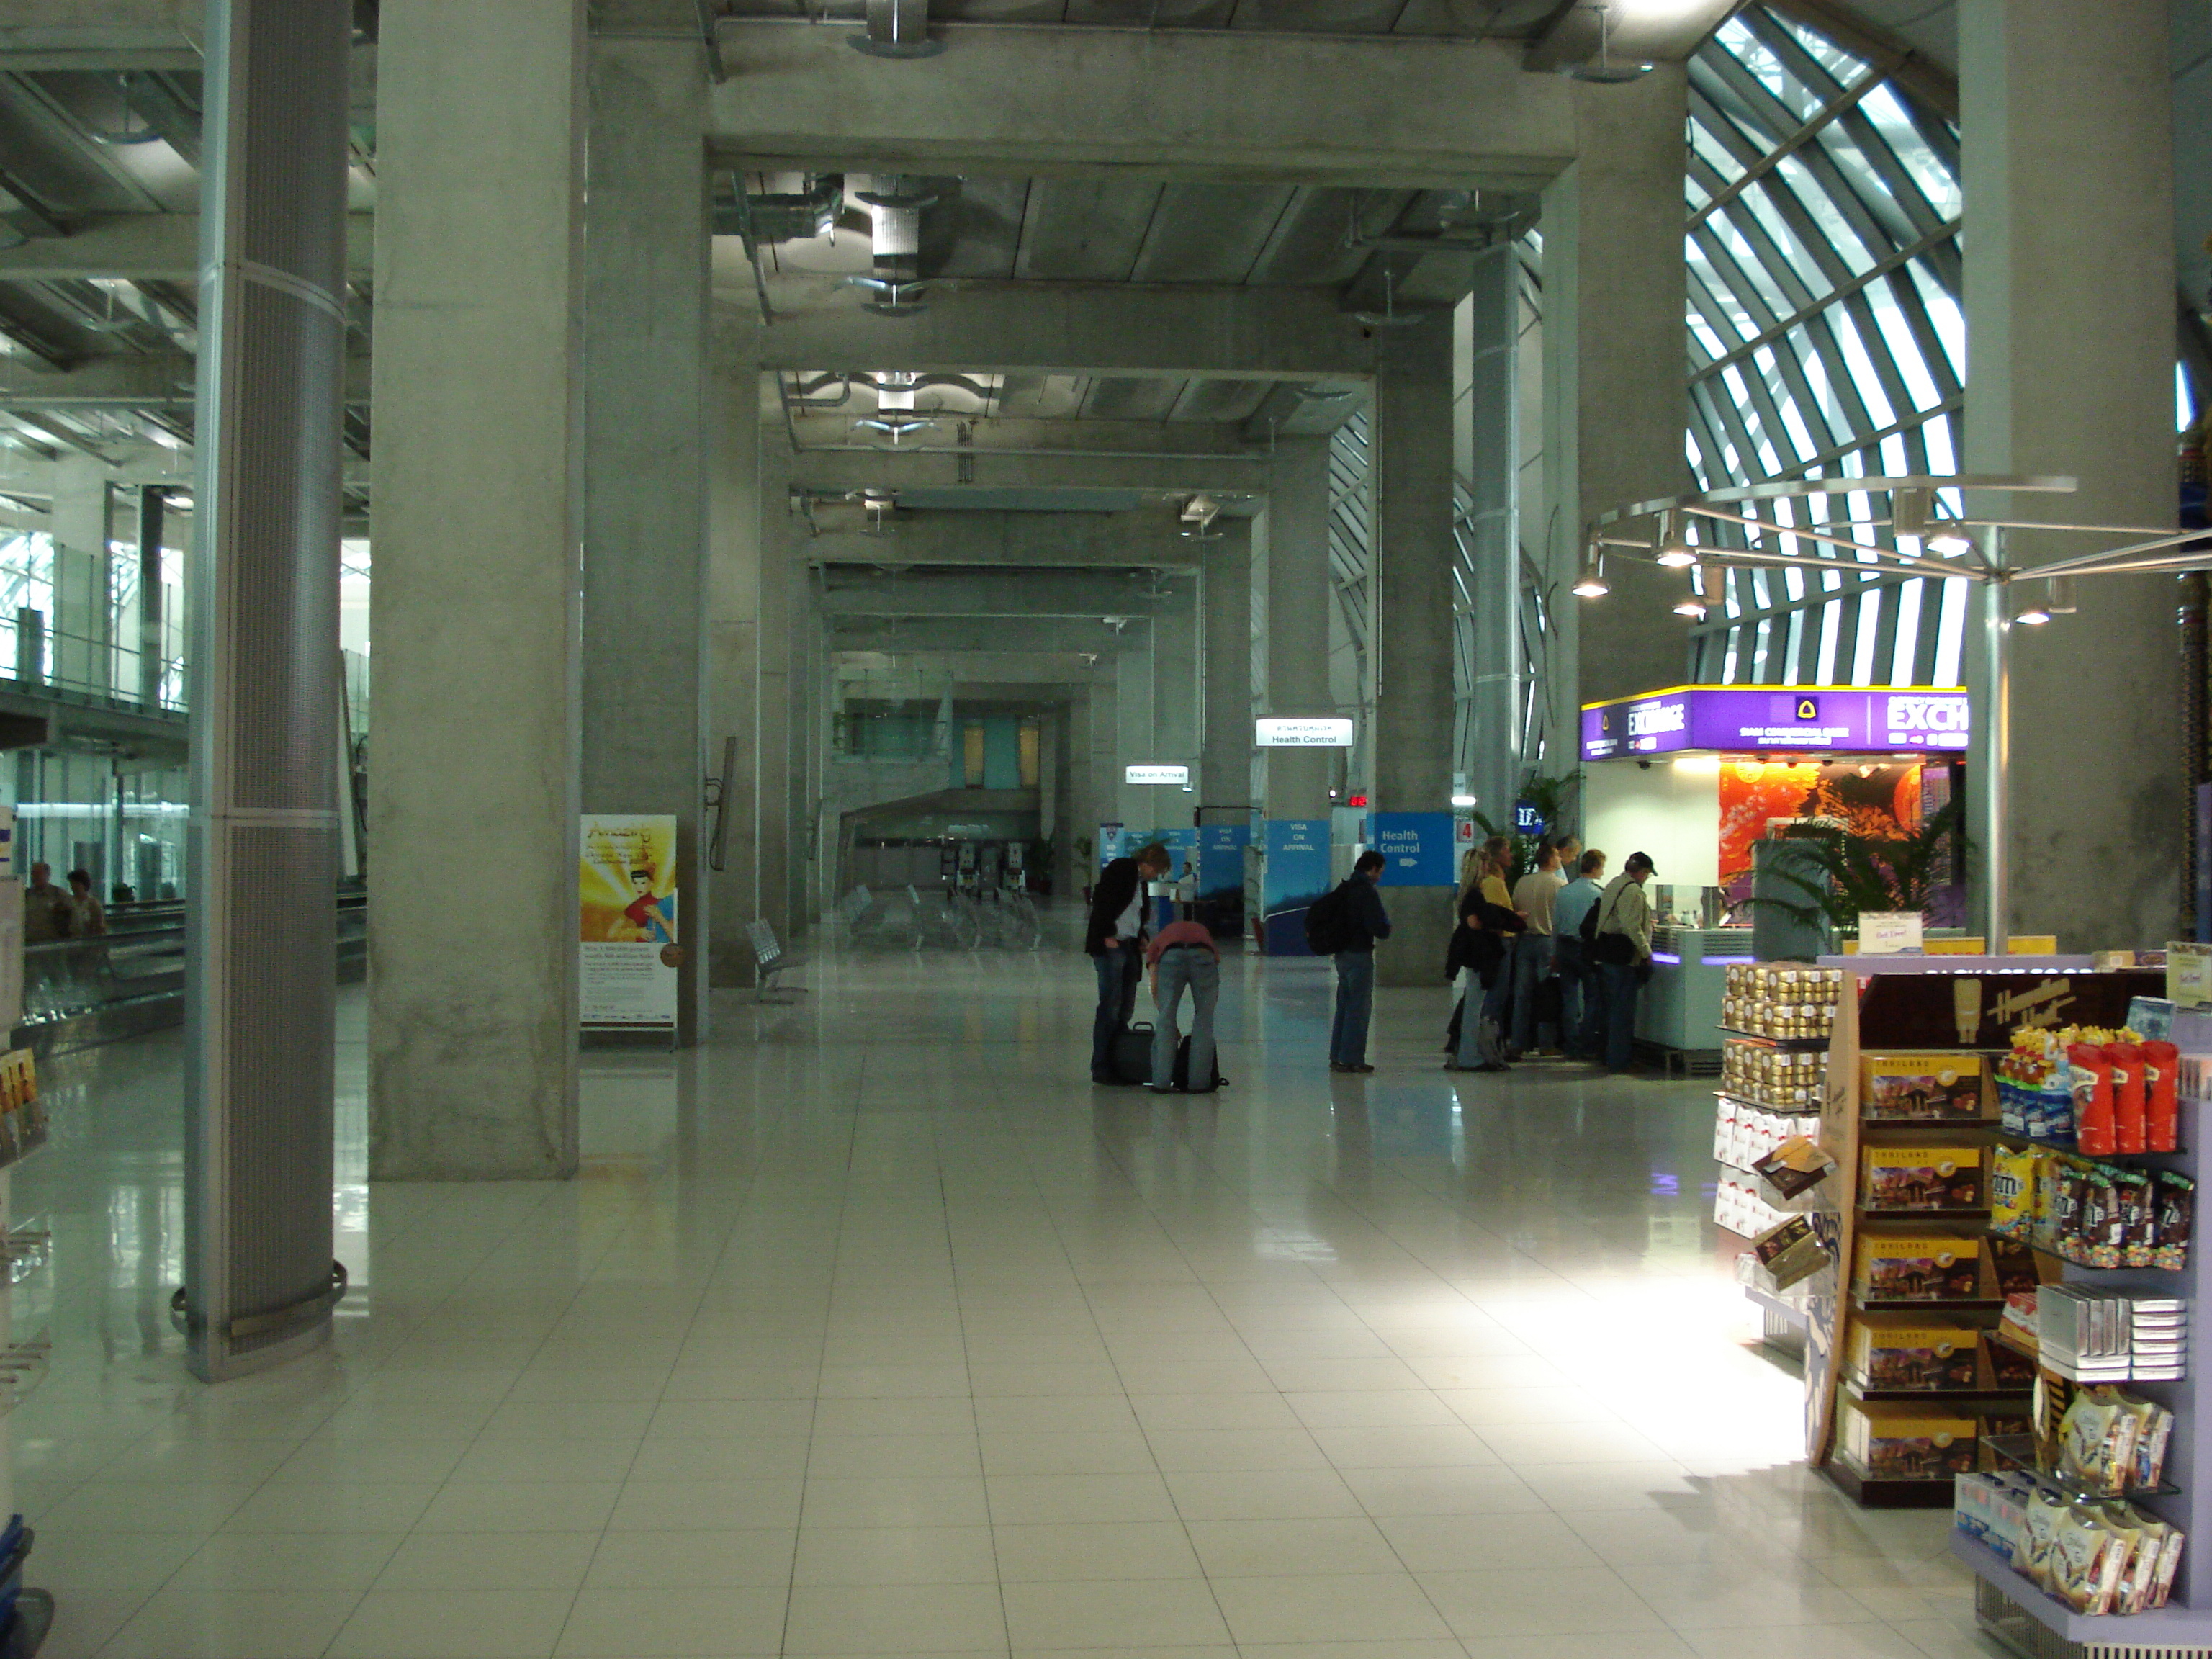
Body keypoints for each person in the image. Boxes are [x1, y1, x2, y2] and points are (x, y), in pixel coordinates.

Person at [1087, 840, 1170, 1084]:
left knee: (1125, 1008)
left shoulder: (1141, 884)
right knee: (1110, 1007)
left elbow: (1133, 915)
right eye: (1156, 870)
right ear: (1148, 863)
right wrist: (1105, 934)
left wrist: (1141, 935)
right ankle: (1101, 1066)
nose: (1155, 875)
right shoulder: (1122, 869)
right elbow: (1102, 901)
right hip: (1111, 944)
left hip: (1128, 945)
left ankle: (1119, 1060)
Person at [1447, 856, 1523, 1072]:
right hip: (1479, 955)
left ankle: (1466, 1053)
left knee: (1473, 1004)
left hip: (1472, 954)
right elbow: (1474, 922)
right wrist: (1494, 921)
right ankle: (1469, 1056)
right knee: (1474, 1007)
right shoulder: (1474, 895)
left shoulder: (1465, 893)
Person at [1593, 850, 1658, 1072]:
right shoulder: (1634, 892)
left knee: (1609, 1009)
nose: (1646, 879)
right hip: (1623, 957)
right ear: (1642, 872)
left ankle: (1607, 1055)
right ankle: (1619, 1060)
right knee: (1623, 1012)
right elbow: (1632, 927)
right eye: (1647, 874)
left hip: (1606, 953)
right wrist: (1646, 953)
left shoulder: (1614, 884)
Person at [1327, 850, 1392, 1074]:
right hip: (1359, 954)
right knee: (1359, 1007)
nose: (1380, 877)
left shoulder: (1344, 888)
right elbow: (1377, 926)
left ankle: (1337, 1056)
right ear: (1372, 868)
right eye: (1380, 872)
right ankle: (1353, 1058)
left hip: (1342, 954)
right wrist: (1386, 928)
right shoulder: (1367, 892)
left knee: (1344, 1005)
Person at [1509, 837, 1568, 1057]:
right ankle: (1546, 1043)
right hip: (1547, 941)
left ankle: (1517, 1043)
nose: (1560, 858)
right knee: (1547, 994)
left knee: (1522, 995)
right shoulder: (1559, 885)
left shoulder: (1522, 882)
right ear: (1551, 860)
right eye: (1558, 855)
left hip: (1525, 941)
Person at [1146, 914, 1219, 1092]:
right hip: (1204, 955)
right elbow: (1216, 959)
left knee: (1166, 1019)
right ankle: (1199, 1084)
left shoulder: (1158, 942)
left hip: (1171, 958)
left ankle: (1161, 1083)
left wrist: (1165, 1012)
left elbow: (1154, 985)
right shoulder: (1203, 933)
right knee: (1204, 1020)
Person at [1552, 848, 1608, 1060]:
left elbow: (1555, 924)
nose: (1602, 872)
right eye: (1601, 867)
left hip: (1565, 947)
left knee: (1569, 997)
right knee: (1593, 996)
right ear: (1594, 868)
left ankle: (1571, 1044)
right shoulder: (1598, 893)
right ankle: (1586, 1042)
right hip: (1586, 948)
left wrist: (1554, 952)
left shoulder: (1565, 891)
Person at [20, 863, 66, 945]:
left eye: (39, 873)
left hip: (52, 945)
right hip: (30, 945)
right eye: (33, 874)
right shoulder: (25, 895)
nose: (35, 877)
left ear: (48, 875)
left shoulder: (58, 894)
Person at [65, 868, 107, 938]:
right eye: (72, 884)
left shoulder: (93, 904)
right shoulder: (68, 902)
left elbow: (100, 926)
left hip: (89, 940)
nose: (73, 886)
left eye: (76, 883)